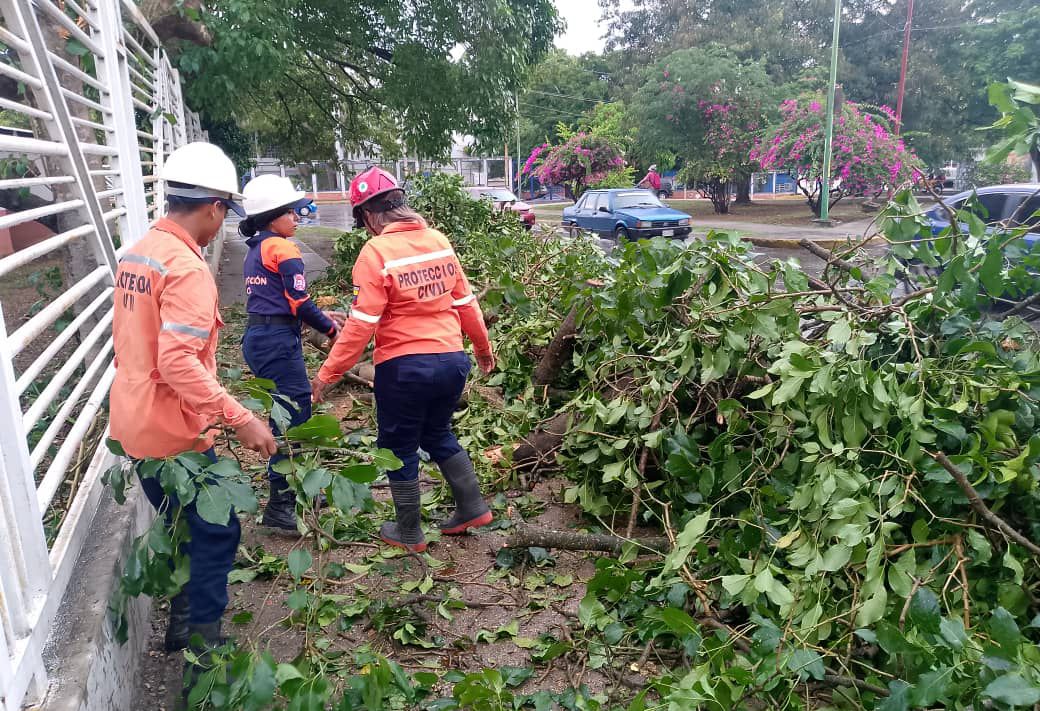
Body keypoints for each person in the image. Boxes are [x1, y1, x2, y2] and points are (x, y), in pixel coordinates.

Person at [109, 142, 278, 663]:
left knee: (186, 525)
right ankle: (202, 645)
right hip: (170, 432)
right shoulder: (186, 269)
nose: (222, 222)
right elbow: (178, 362)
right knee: (218, 527)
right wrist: (242, 417)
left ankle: (183, 625)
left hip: (134, 421)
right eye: (225, 210)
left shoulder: (140, 251)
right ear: (212, 207)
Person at [310, 167, 495, 552]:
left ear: (367, 216)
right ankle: (473, 506)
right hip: (451, 361)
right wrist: (482, 349)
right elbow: (466, 303)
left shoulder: (375, 252)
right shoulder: (439, 241)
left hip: (405, 368)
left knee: (399, 446)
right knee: (438, 432)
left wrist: (328, 373)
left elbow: (361, 326)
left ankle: (409, 532)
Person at [238, 174, 342, 530]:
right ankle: (281, 505)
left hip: (259, 336)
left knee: (286, 410)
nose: (297, 217)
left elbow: (279, 300)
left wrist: (320, 315)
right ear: (272, 215)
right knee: (293, 414)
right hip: (276, 341)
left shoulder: (258, 247)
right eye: (291, 212)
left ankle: (297, 489)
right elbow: (299, 302)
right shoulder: (283, 249)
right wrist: (330, 329)